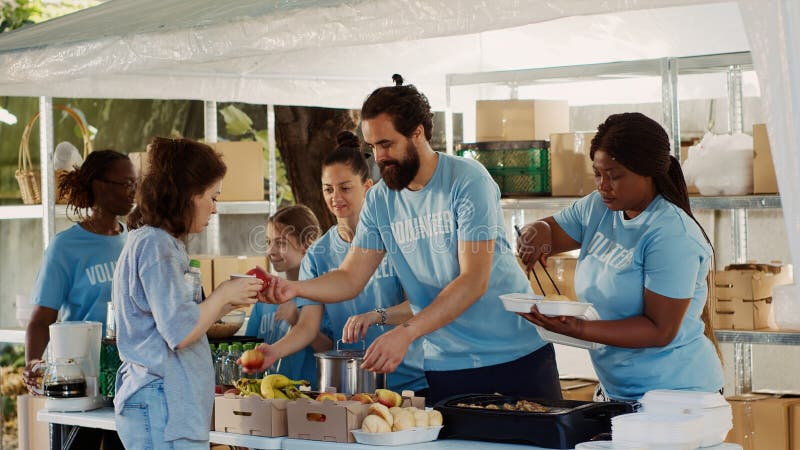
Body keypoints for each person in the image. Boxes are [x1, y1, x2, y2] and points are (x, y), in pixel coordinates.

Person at [259, 75, 561, 404]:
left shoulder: (467, 180)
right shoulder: (381, 200)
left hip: (514, 352)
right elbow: (349, 277)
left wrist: (406, 332)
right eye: (372, 146)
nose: (378, 156)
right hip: (447, 362)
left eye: (386, 144)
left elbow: (473, 280)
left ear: (418, 132)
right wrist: (298, 288)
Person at [517, 112, 724, 402]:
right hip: (617, 392)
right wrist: (535, 231)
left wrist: (578, 328)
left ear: (647, 172)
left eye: (614, 176)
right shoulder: (598, 208)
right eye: (597, 174)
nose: (603, 185)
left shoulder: (670, 234)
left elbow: (659, 330)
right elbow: (549, 231)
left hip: (677, 396)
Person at [248, 131, 428, 394]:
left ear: (367, 187)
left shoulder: (397, 240)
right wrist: (274, 351)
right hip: (350, 385)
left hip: (408, 382)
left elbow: (420, 305)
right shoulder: (318, 255)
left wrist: (376, 316)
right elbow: (308, 327)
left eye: (345, 188)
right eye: (328, 189)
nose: (336, 197)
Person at [113, 137, 263, 449]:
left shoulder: (160, 243)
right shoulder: (156, 246)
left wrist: (225, 304)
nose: (215, 209)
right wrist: (222, 294)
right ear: (188, 195)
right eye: (213, 197)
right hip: (161, 405)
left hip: (167, 406)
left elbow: (181, 321)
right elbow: (179, 332)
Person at [23, 149, 135, 450]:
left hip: (128, 379)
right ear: (99, 186)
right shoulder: (65, 247)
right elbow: (41, 319)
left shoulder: (135, 240)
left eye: (135, 184)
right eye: (125, 184)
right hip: (78, 383)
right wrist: (33, 364)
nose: (132, 193)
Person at [245, 205, 327, 386]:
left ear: (308, 244)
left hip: (309, 398)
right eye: (268, 242)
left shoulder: (323, 295)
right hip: (267, 395)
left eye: (280, 243)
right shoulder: (265, 299)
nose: (270, 251)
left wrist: (297, 320)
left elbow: (330, 349)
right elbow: (249, 346)